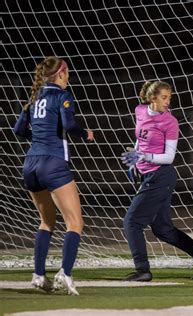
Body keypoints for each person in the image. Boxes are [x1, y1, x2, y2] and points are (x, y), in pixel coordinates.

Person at [121, 81, 193, 281]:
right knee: (163, 229)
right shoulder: (139, 111)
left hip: (161, 176)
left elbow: (169, 157)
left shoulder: (170, 121)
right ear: (152, 98)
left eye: (169, 98)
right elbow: (140, 138)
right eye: (164, 97)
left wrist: (144, 157)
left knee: (132, 222)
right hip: (147, 175)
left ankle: (142, 270)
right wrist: (134, 162)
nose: (168, 101)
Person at [13, 56, 94, 295]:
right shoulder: (62, 96)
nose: (68, 78)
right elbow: (69, 126)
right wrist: (86, 134)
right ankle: (65, 274)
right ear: (61, 73)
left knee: (47, 222)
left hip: (30, 164)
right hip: (53, 163)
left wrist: (39, 140)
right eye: (67, 73)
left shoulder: (34, 97)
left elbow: (18, 130)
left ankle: (38, 275)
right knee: (75, 223)